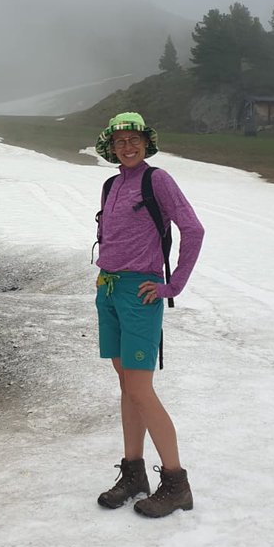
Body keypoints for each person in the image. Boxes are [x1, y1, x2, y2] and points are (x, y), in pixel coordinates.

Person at [94, 112, 204, 518]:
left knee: (140, 388)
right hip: (109, 289)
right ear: (110, 147)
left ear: (146, 142)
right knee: (127, 384)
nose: (127, 147)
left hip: (141, 293)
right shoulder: (111, 184)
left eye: (134, 139)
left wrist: (172, 286)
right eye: (120, 141)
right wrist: (106, 274)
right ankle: (134, 472)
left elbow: (193, 229)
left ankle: (176, 483)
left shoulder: (156, 180)